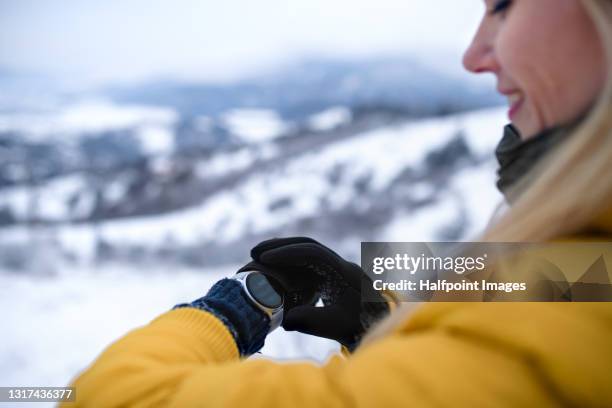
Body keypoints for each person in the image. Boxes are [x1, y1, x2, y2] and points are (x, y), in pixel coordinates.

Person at [61, 0, 612, 406]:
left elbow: (107, 397)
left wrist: (233, 310)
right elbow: (550, 281)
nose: (473, 55)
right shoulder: (591, 262)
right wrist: (380, 320)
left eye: (503, 5)